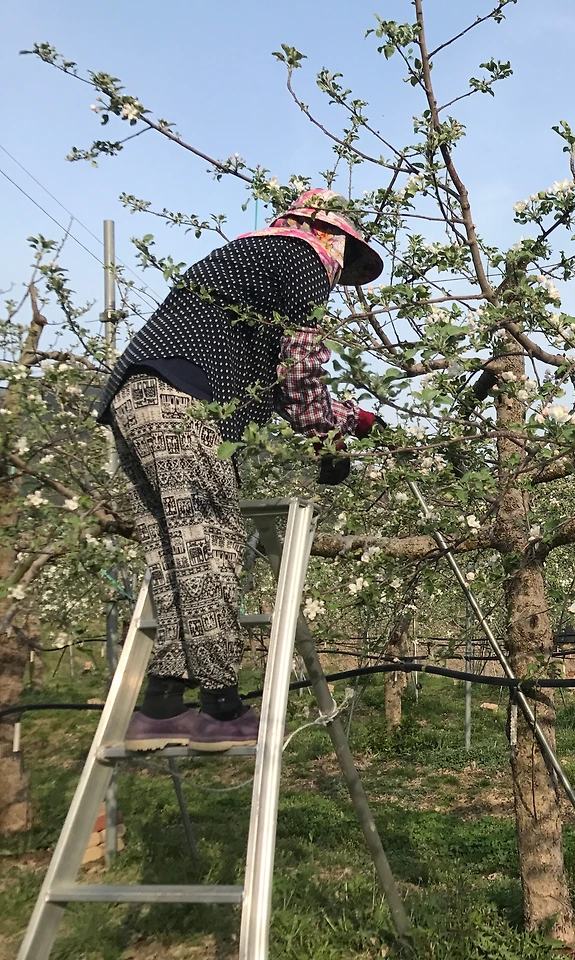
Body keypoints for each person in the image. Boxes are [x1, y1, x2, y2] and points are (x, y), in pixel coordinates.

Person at [95, 188, 382, 752]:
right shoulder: (303, 259)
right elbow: (300, 369)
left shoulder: (248, 259)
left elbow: (271, 385)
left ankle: (162, 704)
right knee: (213, 542)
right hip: (182, 403)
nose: (341, 275)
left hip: (134, 398)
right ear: (331, 235)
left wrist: (351, 419)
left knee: (174, 550)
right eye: (347, 257)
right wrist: (327, 441)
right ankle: (219, 707)